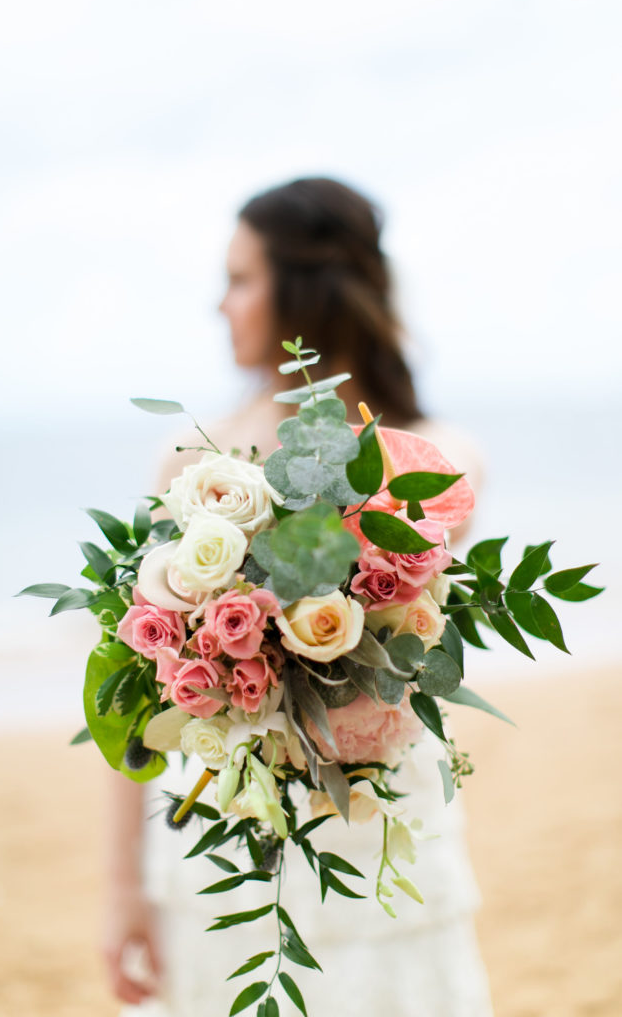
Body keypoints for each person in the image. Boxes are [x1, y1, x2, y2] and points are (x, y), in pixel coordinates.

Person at [103, 177, 492, 1016]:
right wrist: (120, 887)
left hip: (380, 823)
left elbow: (400, 635)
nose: (220, 305)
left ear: (306, 290)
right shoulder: (190, 462)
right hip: (220, 834)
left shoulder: (435, 461)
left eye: (240, 279)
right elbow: (134, 691)